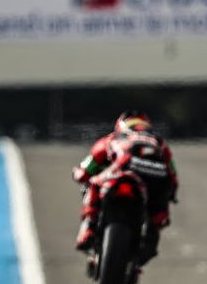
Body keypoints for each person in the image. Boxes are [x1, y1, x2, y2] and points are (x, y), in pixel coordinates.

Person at [72, 110, 179, 266]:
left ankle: (88, 228)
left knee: (93, 183)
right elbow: (172, 175)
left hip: (122, 174)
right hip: (154, 183)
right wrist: (171, 194)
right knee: (159, 216)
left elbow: (85, 170)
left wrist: (78, 174)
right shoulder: (159, 143)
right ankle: (144, 249)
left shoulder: (112, 139)